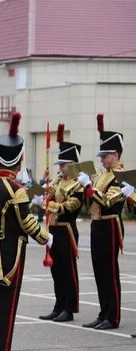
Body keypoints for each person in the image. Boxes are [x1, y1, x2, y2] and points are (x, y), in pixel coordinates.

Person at [0, 113, 50, 351]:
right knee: (7, 309)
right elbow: (27, 222)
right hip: (12, 254)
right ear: (19, 159)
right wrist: (45, 237)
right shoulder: (16, 189)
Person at [76, 114, 136, 330]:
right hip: (97, 224)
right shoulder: (103, 175)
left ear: (116, 154)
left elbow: (108, 201)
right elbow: (90, 202)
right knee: (99, 270)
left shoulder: (120, 175)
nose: (102, 160)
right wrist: (86, 186)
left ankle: (113, 316)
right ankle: (103, 312)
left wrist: (89, 188)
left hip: (110, 224)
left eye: (105, 156)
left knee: (110, 271)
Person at [33, 124, 84, 323]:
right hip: (53, 229)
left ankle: (69, 308)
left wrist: (47, 203)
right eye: (60, 165)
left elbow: (70, 206)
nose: (61, 168)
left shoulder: (78, 183)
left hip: (67, 229)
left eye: (64, 164)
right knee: (56, 271)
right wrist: (38, 197)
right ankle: (59, 304)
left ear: (73, 164)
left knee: (67, 270)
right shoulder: (59, 181)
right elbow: (48, 194)